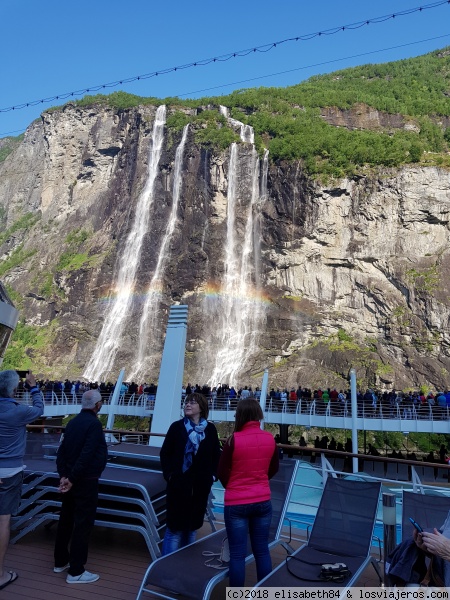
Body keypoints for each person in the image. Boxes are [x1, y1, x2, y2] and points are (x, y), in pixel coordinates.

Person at [218, 398, 279, 587]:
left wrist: (233, 486)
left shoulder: (233, 440)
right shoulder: (269, 438)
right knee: (262, 551)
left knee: (237, 554)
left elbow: (221, 470)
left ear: (241, 415)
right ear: (258, 415)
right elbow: (274, 468)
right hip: (262, 500)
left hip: (236, 503)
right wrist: (259, 481)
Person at [53, 389, 107, 584]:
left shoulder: (72, 422)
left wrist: (64, 476)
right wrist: (73, 478)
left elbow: (62, 453)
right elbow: (88, 453)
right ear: (97, 405)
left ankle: (60, 561)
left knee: (66, 519)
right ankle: (76, 571)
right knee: (82, 525)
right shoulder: (93, 424)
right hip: (85, 480)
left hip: (70, 480)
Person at [160, 392, 220, 555]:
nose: (188, 405)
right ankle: (167, 568)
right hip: (178, 485)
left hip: (200, 487)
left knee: (192, 528)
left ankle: (184, 565)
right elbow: (165, 453)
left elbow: (216, 455)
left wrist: (212, 476)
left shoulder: (210, 430)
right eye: (187, 402)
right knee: (174, 530)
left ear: (202, 408)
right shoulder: (176, 428)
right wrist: (170, 475)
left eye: (192, 403)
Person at [0, 369, 43, 590]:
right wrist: (33, 387)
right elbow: (39, 409)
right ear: (15, 390)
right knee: (3, 521)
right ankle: (0, 575)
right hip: (10, 472)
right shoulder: (18, 412)